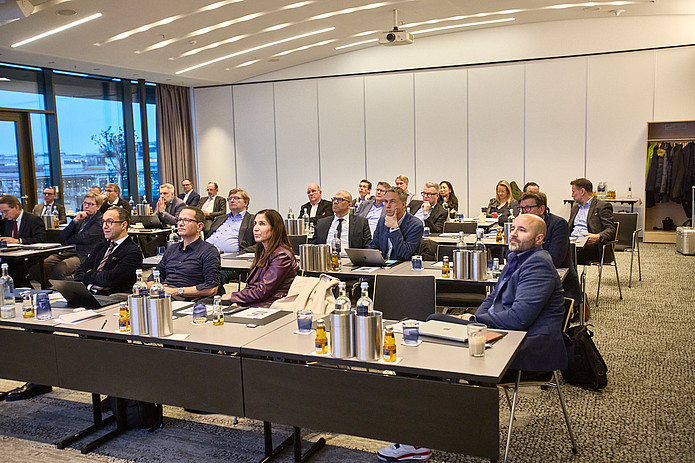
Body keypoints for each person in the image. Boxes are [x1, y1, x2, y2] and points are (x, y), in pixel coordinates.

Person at [385, 215, 571, 461]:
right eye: (513, 228)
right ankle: (427, 421)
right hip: (502, 334)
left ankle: (421, 435)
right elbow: (490, 300)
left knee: (433, 339)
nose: (514, 234)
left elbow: (519, 319)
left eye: (522, 230)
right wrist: (476, 319)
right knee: (429, 330)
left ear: (539, 239)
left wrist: (475, 320)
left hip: (526, 345)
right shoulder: (518, 258)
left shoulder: (538, 265)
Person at [222, 209, 297, 308]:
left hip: (270, 306)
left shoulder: (282, 255)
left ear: (274, 228)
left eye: (262, 224)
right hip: (257, 302)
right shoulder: (262, 251)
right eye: (255, 224)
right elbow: (252, 286)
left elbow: (263, 291)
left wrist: (234, 296)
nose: (255, 228)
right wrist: (238, 300)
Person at [519, 191, 581, 304]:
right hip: (527, 277)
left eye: (527, 208)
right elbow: (510, 253)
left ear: (541, 209)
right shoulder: (520, 226)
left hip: (556, 280)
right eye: (522, 208)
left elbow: (554, 259)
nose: (523, 213)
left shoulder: (558, 225)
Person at [149, 206, 221, 299]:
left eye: (186, 220)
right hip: (164, 294)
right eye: (179, 220)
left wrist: (176, 291)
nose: (180, 224)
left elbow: (211, 289)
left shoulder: (209, 251)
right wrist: (153, 287)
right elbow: (157, 273)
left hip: (186, 298)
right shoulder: (172, 248)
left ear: (199, 226)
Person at [35, 192, 104, 281]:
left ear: (98, 207)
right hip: (69, 250)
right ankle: (49, 286)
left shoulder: (100, 220)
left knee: (59, 269)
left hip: (84, 254)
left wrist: (68, 240)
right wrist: (75, 220)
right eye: (85, 203)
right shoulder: (81, 218)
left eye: (90, 204)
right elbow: (63, 235)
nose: (86, 206)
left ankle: (62, 288)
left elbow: (84, 238)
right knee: (41, 266)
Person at [74, 206, 143, 294]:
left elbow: (110, 279)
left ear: (123, 225)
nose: (104, 226)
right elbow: (78, 273)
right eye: (103, 222)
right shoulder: (101, 246)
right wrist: (92, 285)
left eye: (110, 222)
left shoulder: (132, 251)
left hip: (115, 297)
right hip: (92, 294)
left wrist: (89, 274)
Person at [206, 188, 256, 284]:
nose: (232, 201)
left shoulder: (252, 220)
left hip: (231, 263)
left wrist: (242, 253)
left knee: (212, 276)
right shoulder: (220, 219)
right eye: (229, 199)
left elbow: (260, 244)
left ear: (246, 203)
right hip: (207, 256)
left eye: (236, 198)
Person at [0, 194, 46, 287]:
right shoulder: (8, 221)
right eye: (2, 212)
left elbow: (40, 239)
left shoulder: (33, 220)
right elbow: (8, 237)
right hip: (11, 255)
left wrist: (19, 241)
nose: (4, 215)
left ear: (16, 207)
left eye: (6, 211)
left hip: (29, 257)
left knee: (15, 269)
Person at [568, 177, 616, 264]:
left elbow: (611, 229)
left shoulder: (602, 206)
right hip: (573, 241)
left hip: (591, 245)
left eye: (573, 192)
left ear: (582, 191)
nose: (572, 195)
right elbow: (568, 228)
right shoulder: (575, 208)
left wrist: (598, 236)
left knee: (565, 252)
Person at [368, 187, 423, 261]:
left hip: (402, 266)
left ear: (403, 204)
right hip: (382, 264)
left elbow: (404, 254)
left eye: (392, 201)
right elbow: (373, 246)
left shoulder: (415, 225)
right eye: (386, 201)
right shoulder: (382, 221)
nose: (388, 206)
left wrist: (394, 228)